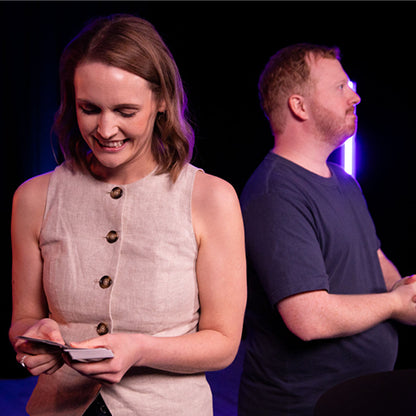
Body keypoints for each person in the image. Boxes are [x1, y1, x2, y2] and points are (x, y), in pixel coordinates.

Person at [9, 14, 246, 416]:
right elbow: (23, 319)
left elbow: (223, 343)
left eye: (125, 111)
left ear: (161, 103)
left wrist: (140, 349)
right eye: (89, 108)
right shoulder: (33, 197)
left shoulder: (212, 198)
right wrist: (33, 336)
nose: (105, 129)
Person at [238, 43, 416, 416]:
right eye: (340, 87)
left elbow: (373, 258)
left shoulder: (344, 181)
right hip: (305, 407)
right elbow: (308, 317)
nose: (355, 96)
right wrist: (394, 304)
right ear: (299, 106)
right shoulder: (275, 193)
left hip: (362, 397)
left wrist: (404, 290)